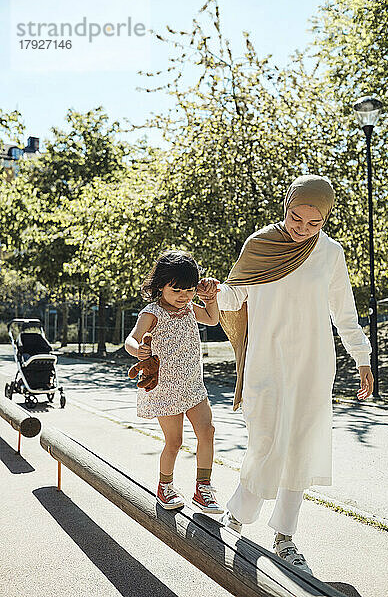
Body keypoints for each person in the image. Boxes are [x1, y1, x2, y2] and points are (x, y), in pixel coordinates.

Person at [197, 175, 373, 575]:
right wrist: (213, 291)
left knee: (300, 446)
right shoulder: (259, 245)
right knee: (265, 441)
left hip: (313, 364)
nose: (303, 229)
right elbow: (233, 296)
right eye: (297, 218)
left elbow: (344, 314)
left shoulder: (330, 253)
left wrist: (362, 357)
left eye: (315, 223)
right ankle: (239, 515)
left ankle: (285, 537)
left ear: (325, 219)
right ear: (287, 207)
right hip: (265, 362)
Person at [125, 250, 224, 514]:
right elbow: (131, 340)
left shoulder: (191, 307)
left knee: (208, 432)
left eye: (189, 290)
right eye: (177, 290)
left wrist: (209, 298)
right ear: (160, 286)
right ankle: (164, 486)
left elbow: (212, 319)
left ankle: (203, 488)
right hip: (165, 388)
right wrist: (139, 351)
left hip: (192, 384)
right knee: (175, 441)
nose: (184, 296)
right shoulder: (153, 312)